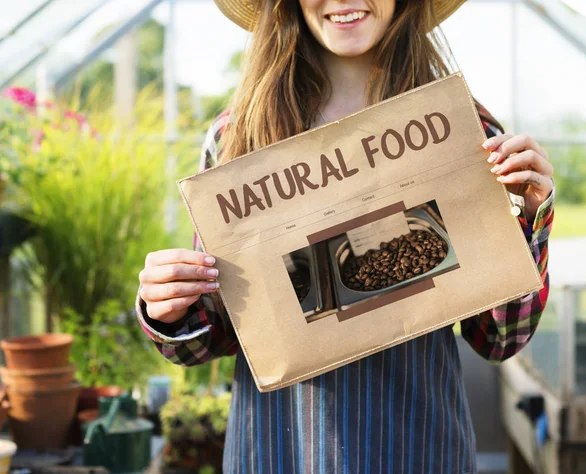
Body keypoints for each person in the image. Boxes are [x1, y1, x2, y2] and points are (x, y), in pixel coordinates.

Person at [136, 1, 554, 472]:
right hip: (282, 450)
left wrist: (529, 218)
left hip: (417, 448)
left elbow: (498, 338)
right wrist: (170, 307)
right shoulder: (238, 138)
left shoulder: (465, 132)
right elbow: (215, 336)